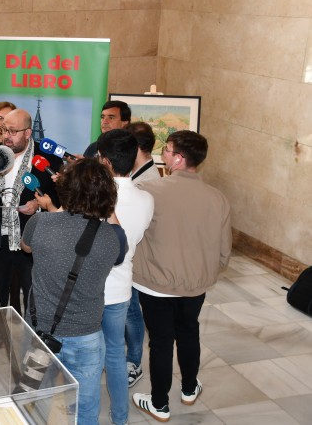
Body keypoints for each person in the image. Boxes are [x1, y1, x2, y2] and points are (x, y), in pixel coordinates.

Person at [132, 131, 232, 423]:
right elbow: (225, 251)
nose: (162, 154)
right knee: (189, 332)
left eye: (167, 150)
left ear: (178, 158)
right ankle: (189, 388)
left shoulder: (151, 191)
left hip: (156, 284)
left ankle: (159, 403)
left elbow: (135, 236)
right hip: (196, 284)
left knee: (161, 341)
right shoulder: (218, 198)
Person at [20, 158, 126, 425]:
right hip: (86, 337)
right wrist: (108, 207)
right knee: (86, 406)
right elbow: (118, 244)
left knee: (32, 402)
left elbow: (27, 248)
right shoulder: (111, 237)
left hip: (39, 332)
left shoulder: (40, 225)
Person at [96, 129, 154, 425]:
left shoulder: (94, 196)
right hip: (121, 288)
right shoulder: (146, 200)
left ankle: (85, 412)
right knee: (116, 354)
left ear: (104, 161)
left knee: (88, 356)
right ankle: (120, 417)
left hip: (90, 288)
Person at [0, 108, 62, 314]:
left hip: (32, 241)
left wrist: (39, 206)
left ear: (28, 133)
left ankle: (33, 343)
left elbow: (60, 199)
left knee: (34, 298)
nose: (6, 136)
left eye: (13, 131)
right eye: (4, 130)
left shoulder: (49, 160)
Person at [123, 121, 160, 388]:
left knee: (132, 313)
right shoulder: (138, 172)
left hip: (138, 256)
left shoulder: (148, 180)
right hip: (132, 253)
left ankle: (134, 362)